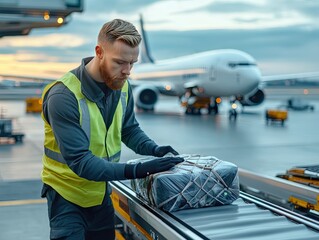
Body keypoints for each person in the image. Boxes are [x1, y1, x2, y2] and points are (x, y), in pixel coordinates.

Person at [40, 18, 183, 240]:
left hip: (100, 192)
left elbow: (129, 130)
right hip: (66, 195)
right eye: (119, 62)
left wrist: (155, 150)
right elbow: (81, 162)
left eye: (132, 63)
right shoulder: (63, 96)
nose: (127, 71)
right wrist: (138, 170)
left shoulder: (122, 86)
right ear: (99, 52)